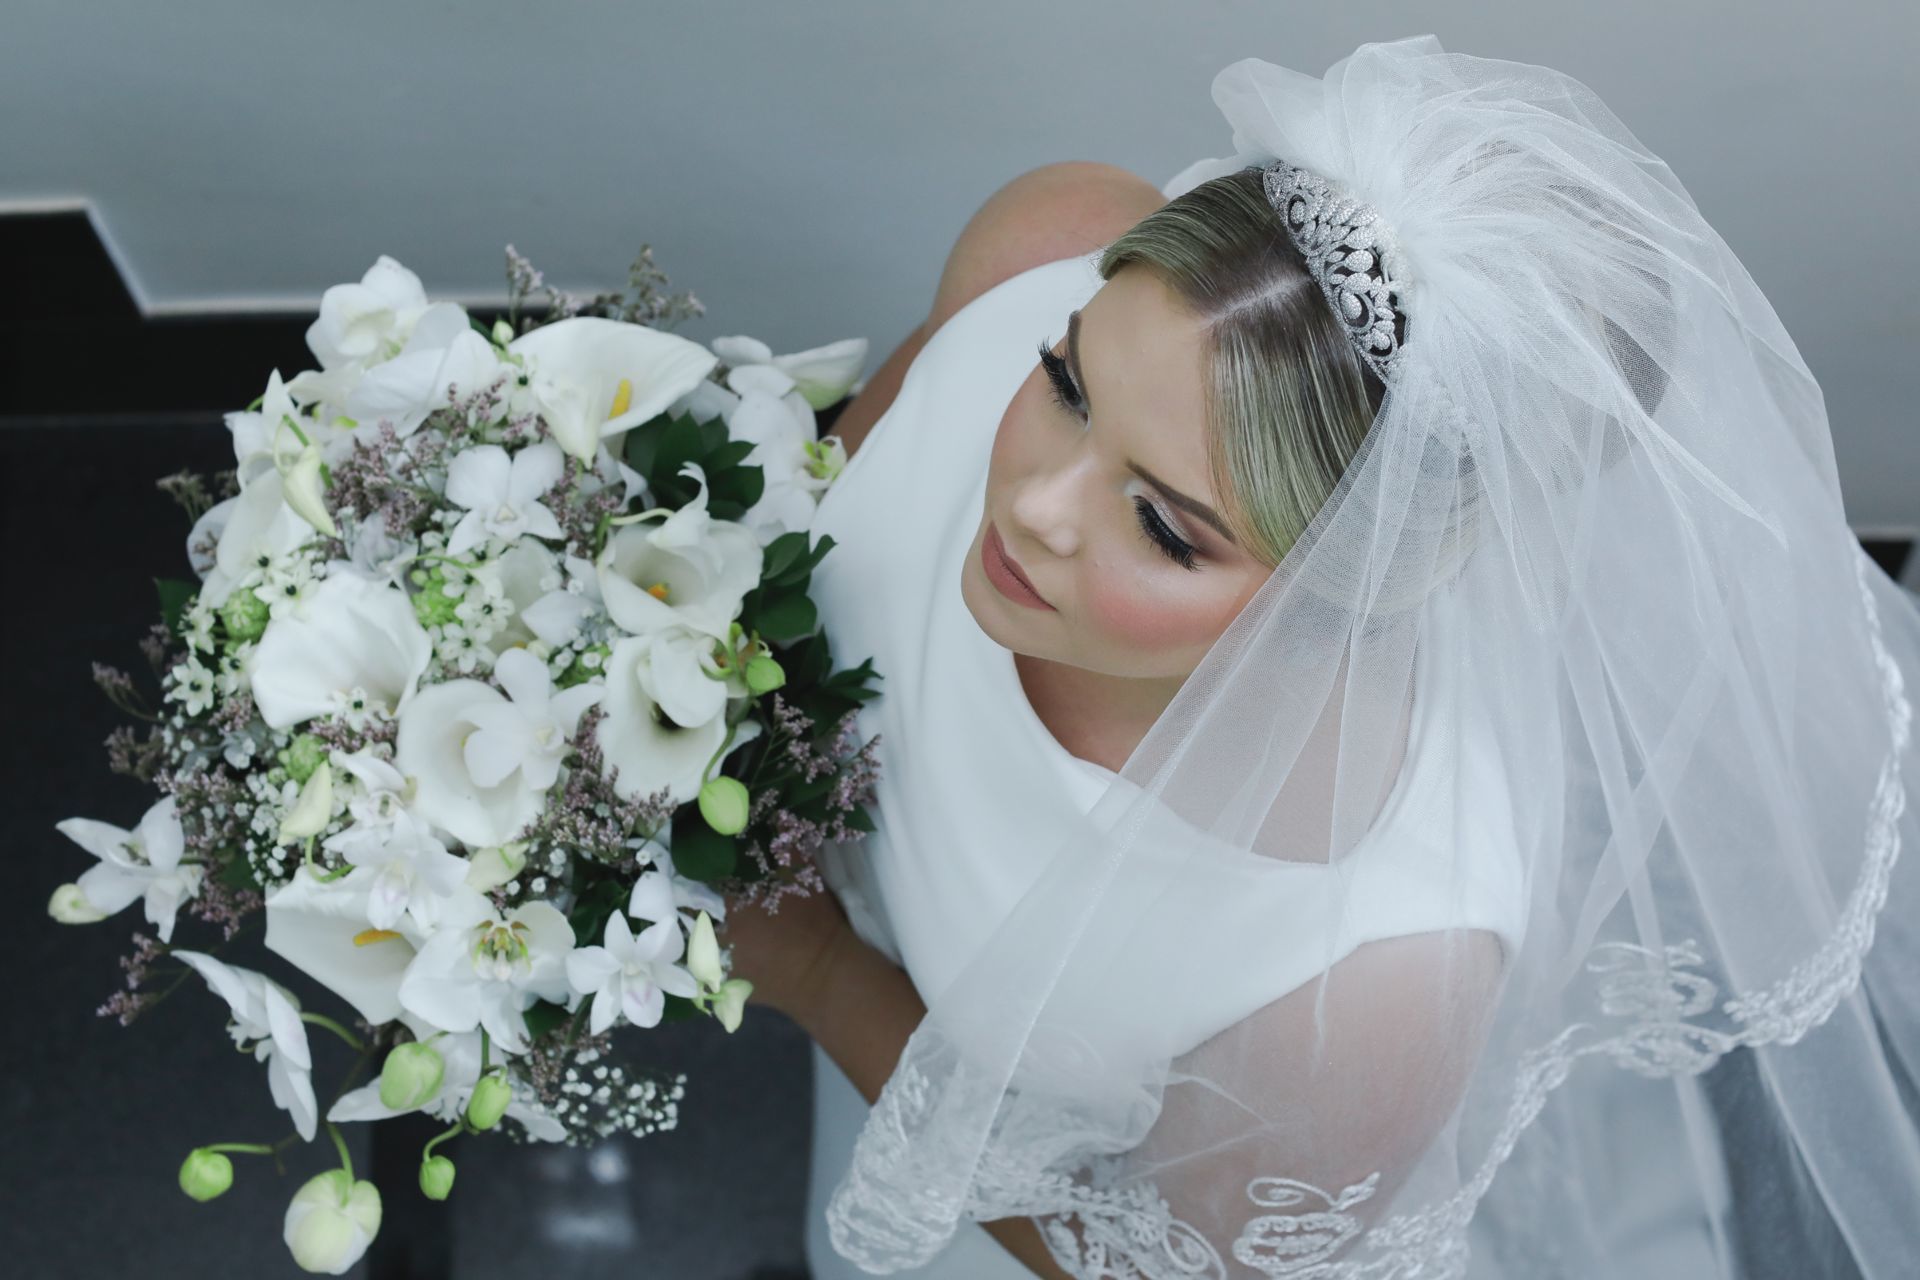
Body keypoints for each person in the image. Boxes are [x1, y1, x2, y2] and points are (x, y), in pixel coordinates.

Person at [723, 34, 1920, 1280]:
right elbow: (807, 538)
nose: (1034, 506)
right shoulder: (1044, 237)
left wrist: (816, 971)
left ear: (1340, 596)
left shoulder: (1370, 983)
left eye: (1161, 524)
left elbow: (1153, 1268)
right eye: (1068, 382)